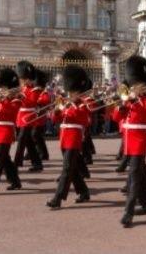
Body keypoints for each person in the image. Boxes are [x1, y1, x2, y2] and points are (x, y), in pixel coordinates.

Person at [112, 56, 146, 228]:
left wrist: (135, 99)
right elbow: (116, 117)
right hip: (129, 140)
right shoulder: (129, 99)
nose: (133, 87)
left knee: (133, 175)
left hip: (140, 140)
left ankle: (129, 212)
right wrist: (123, 104)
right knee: (137, 174)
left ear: (143, 84)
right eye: (133, 85)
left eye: (136, 85)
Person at [47, 65, 91, 209]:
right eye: (70, 91)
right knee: (74, 169)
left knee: (66, 169)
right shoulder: (66, 103)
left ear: (79, 91)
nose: (70, 93)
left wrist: (69, 107)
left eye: (73, 92)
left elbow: (84, 120)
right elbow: (55, 119)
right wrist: (57, 111)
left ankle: (58, 198)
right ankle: (84, 192)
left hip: (74, 138)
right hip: (64, 138)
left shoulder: (84, 104)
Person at [14, 60, 44, 172]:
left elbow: (32, 102)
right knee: (28, 141)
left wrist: (21, 97)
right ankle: (37, 163)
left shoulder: (35, 89)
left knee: (22, 138)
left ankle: (16, 163)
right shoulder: (22, 88)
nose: (21, 80)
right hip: (21, 116)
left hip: (29, 116)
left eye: (22, 78)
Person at [32, 69, 51, 161]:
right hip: (33, 117)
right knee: (34, 136)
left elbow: (46, 101)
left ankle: (44, 154)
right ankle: (32, 153)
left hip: (40, 118)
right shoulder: (34, 91)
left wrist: (37, 101)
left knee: (36, 135)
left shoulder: (44, 92)